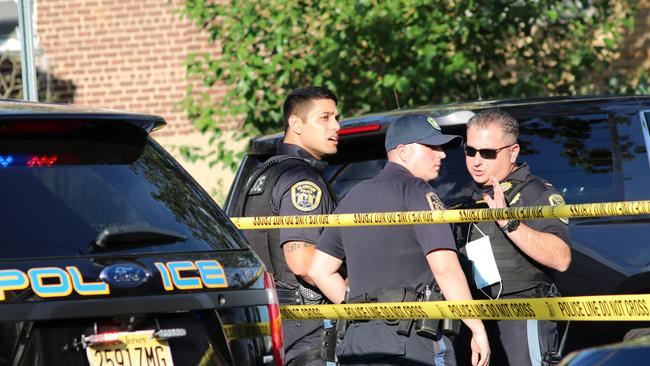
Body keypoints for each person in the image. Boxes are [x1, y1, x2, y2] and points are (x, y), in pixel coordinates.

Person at [308, 114, 490, 366]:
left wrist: (362, 313)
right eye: (432, 146)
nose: (442, 154)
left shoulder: (353, 196)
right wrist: (476, 327)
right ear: (403, 152)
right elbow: (445, 268)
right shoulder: (418, 192)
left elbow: (319, 270)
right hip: (412, 342)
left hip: (357, 343)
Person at [452, 108, 571, 366]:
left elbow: (561, 258)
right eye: (470, 151)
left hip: (523, 317)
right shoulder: (462, 200)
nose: (476, 160)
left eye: (487, 153)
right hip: (475, 321)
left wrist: (508, 220)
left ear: (513, 152)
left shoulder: (537, 194)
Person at [242, 86, 340, 365]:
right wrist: (350, 297)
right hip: (307, 328)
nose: (336, 126)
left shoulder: (264, 172)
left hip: (268, 320)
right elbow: (302, 262)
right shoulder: (301, 178)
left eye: (336, 117)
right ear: (295, 124)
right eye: (325, 117)